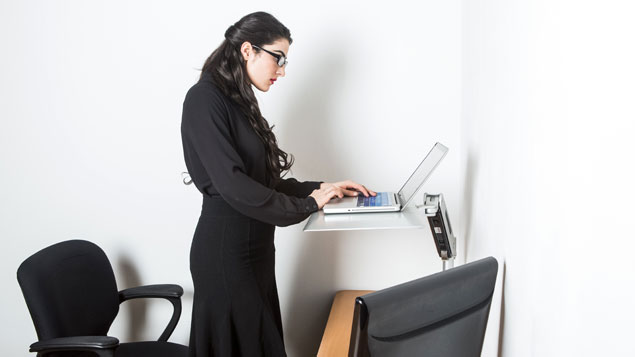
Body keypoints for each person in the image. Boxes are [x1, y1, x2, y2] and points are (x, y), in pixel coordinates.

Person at [180, 11, 375, 357]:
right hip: (226, 256)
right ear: (247, 51)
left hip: (256, 251)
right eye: (278, 58)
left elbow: (265, 183)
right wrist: (307, 205)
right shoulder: (204, 99)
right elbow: (234, 185)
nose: (282, 70)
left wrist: (323, 189)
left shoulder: (240, 100)